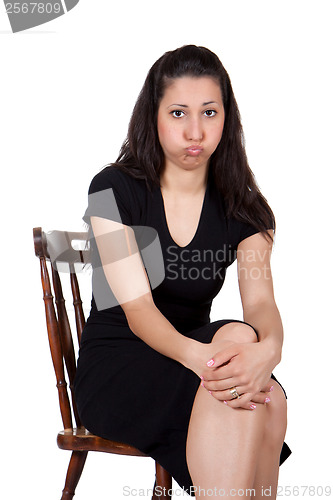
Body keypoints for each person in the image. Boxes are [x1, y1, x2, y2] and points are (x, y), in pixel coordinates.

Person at [74, 44, 291, 499]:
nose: (195, 131)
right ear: (153, 117)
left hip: (194, 360)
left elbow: (261, 305)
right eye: (178, 113)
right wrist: (208, 365)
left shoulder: (247, 210)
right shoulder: (111, 190)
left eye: (209, 113)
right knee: (256, 393)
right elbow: (137, 311)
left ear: (226, 119)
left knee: (250, 357)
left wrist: (267, 352)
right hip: (120, 363)